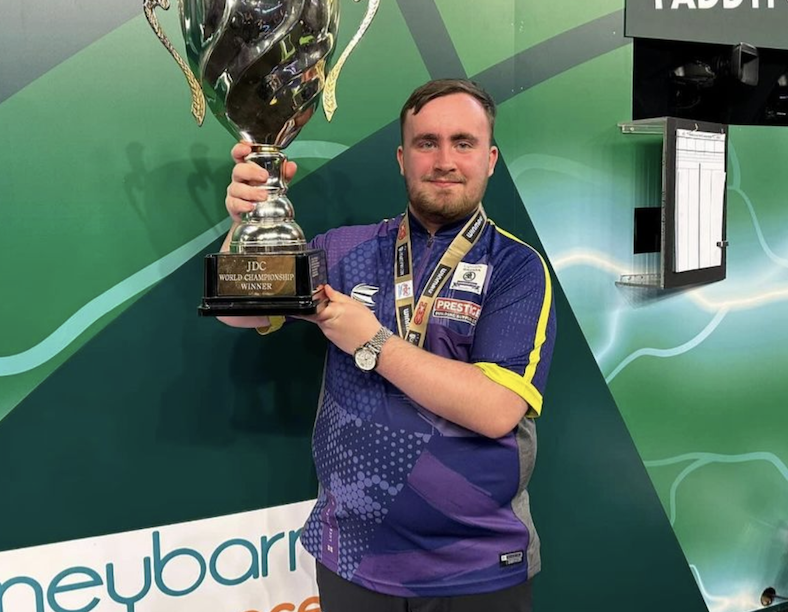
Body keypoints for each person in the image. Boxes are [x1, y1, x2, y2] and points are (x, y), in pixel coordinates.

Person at [219, 79, 556, 611]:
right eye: (427, 142)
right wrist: (247, 226)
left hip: (476, 568)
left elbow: (496, 410)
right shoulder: (344, 247)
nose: (444, 159)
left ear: (490, 159)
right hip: (354, 557)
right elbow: (245, 309)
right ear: (403, 157)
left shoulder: (516, 267)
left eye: (463, 143)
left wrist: (371, 340)